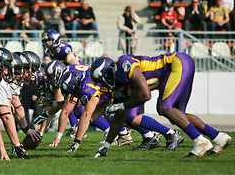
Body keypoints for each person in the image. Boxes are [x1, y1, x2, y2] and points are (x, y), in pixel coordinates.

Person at [90, 54, 232, 158]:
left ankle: (200, 141)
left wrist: (121, 105)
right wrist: (106, 146)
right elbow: (119, 119)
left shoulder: (123, 65)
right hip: (176, 67)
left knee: (164, 108)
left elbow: (145, 95)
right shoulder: (119, 86)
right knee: (178, 114)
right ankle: (218, 137)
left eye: (100, 81)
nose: (102, 85)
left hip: (176, 63)